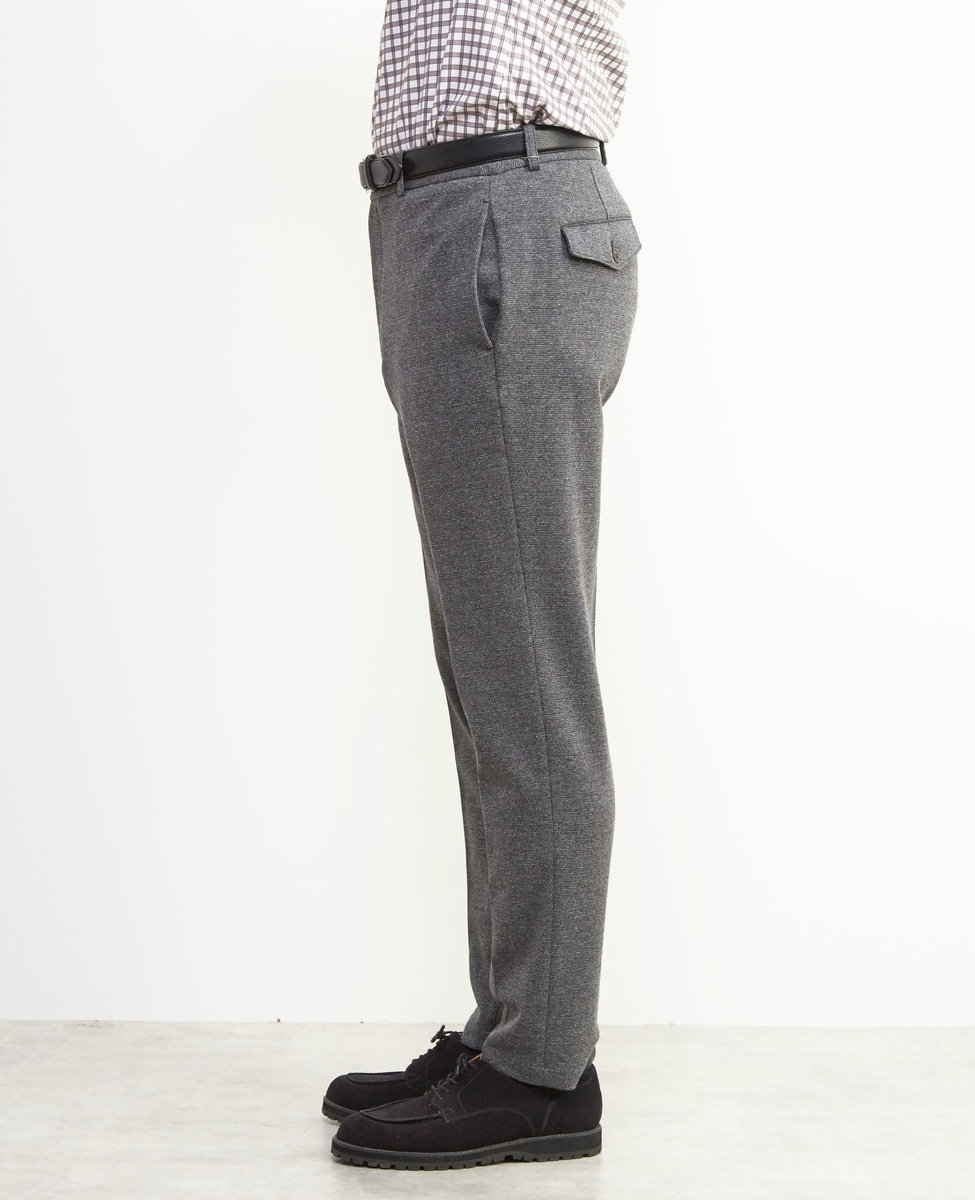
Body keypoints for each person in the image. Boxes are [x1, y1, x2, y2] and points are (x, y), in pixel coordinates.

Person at [324, 0, 639, 1170]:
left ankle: (543, 1071)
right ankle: (510, 1029)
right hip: (452, 216)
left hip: (504, 207)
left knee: (528, 683)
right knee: (489, 674)